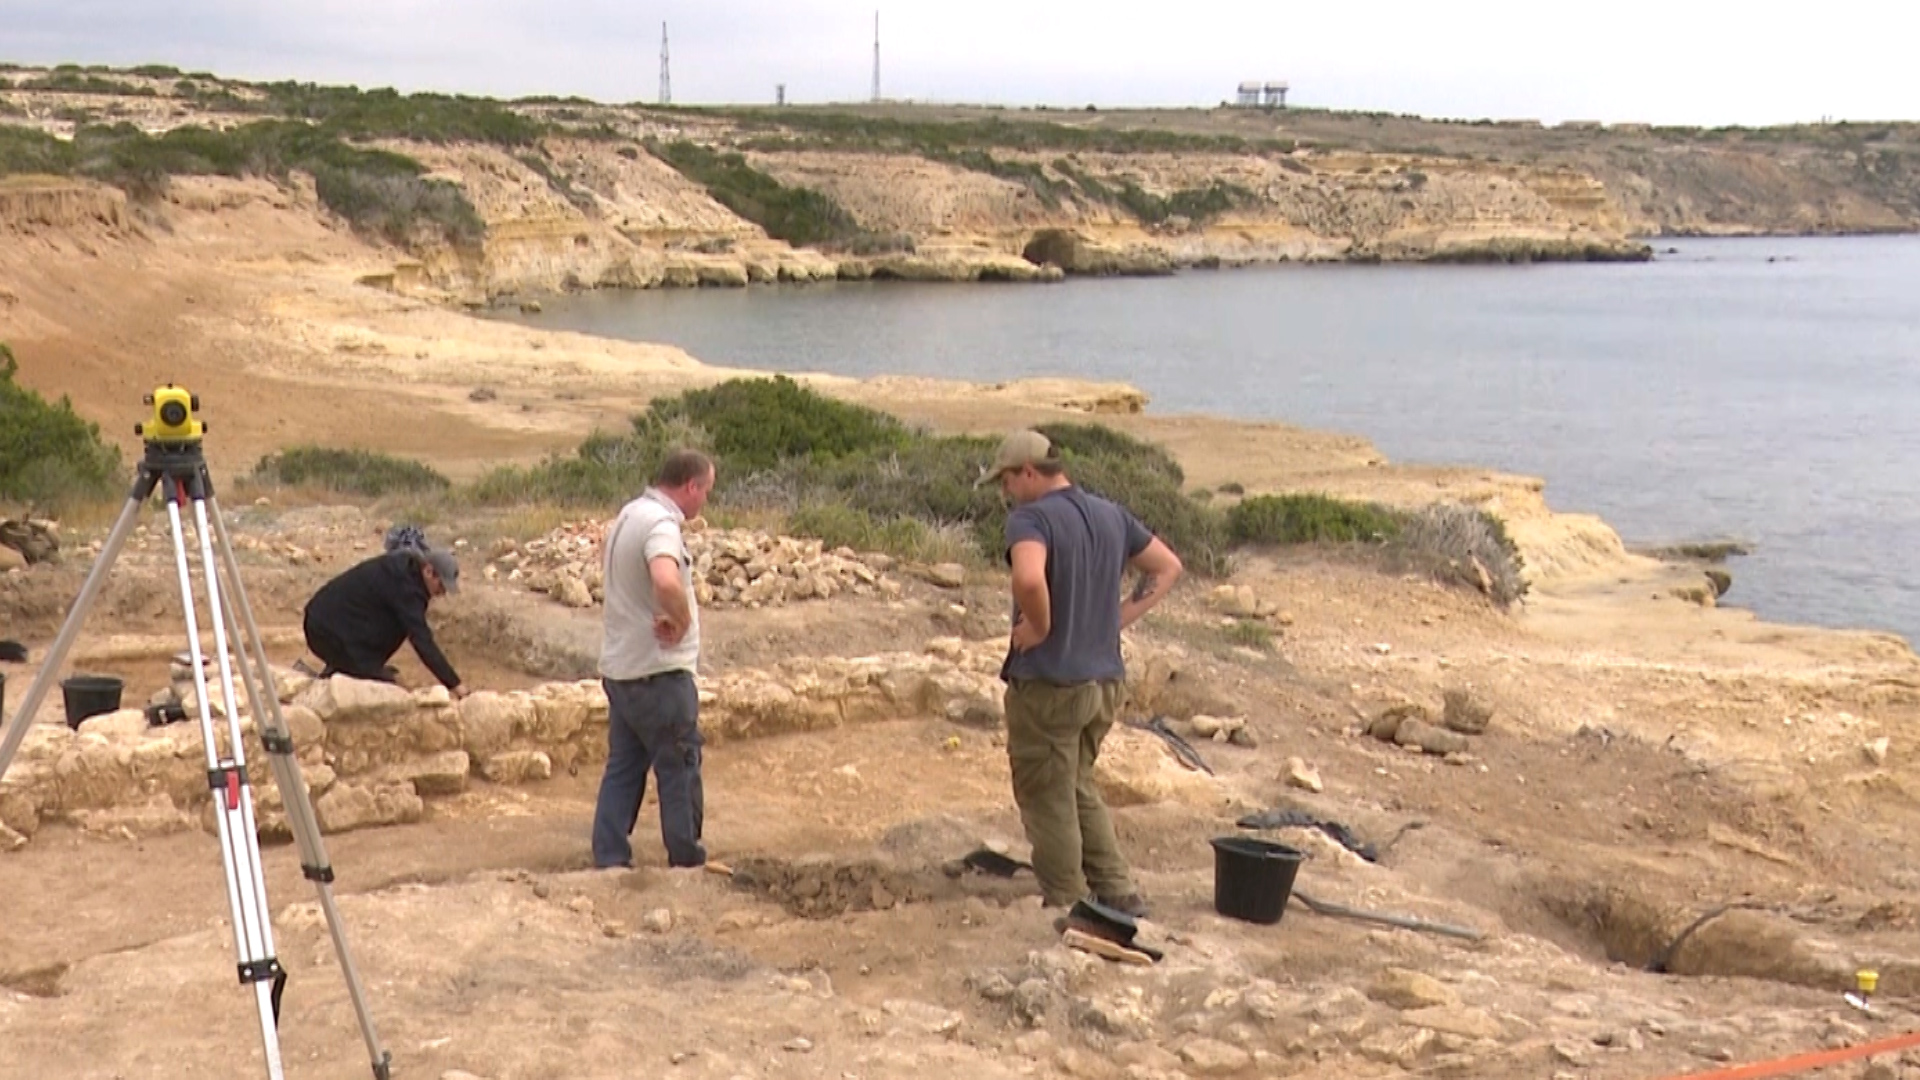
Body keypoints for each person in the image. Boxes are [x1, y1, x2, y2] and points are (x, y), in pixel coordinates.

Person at [980, 430, 1183, 918]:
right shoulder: (1110, 514)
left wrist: (1040, 625)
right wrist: (1114, 619)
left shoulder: (1030, 520)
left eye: (1006, 482)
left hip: (1052, 680)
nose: (1005, 494)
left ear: (1028, 472)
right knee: (1077, 782)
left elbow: (1028, 577)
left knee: (1047, 793)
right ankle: (1117, 890)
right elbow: (1167, 567)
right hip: (1104, 680)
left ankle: (1069, 903)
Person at [591, 449, 717, 870]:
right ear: (690, 486)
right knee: (679, 766)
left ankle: (609, 856)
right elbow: (665, 578)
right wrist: (679, 621)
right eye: (706, 491)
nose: (705, 502)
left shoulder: (630, 513)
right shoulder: (662, 525)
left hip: (622, 668)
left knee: (624, 768)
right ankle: (685, 859)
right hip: (658, 673)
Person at [302, 546, 469, 699]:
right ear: (428, 571)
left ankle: (358, 666)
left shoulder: (405, 572)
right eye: (441, 585)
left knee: (398, 622)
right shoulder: (406, 589)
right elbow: (422, 641)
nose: (442, 592)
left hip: (326, 624)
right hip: (323, 632)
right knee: (402, 629)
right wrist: (456, 686)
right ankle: (357, 669)